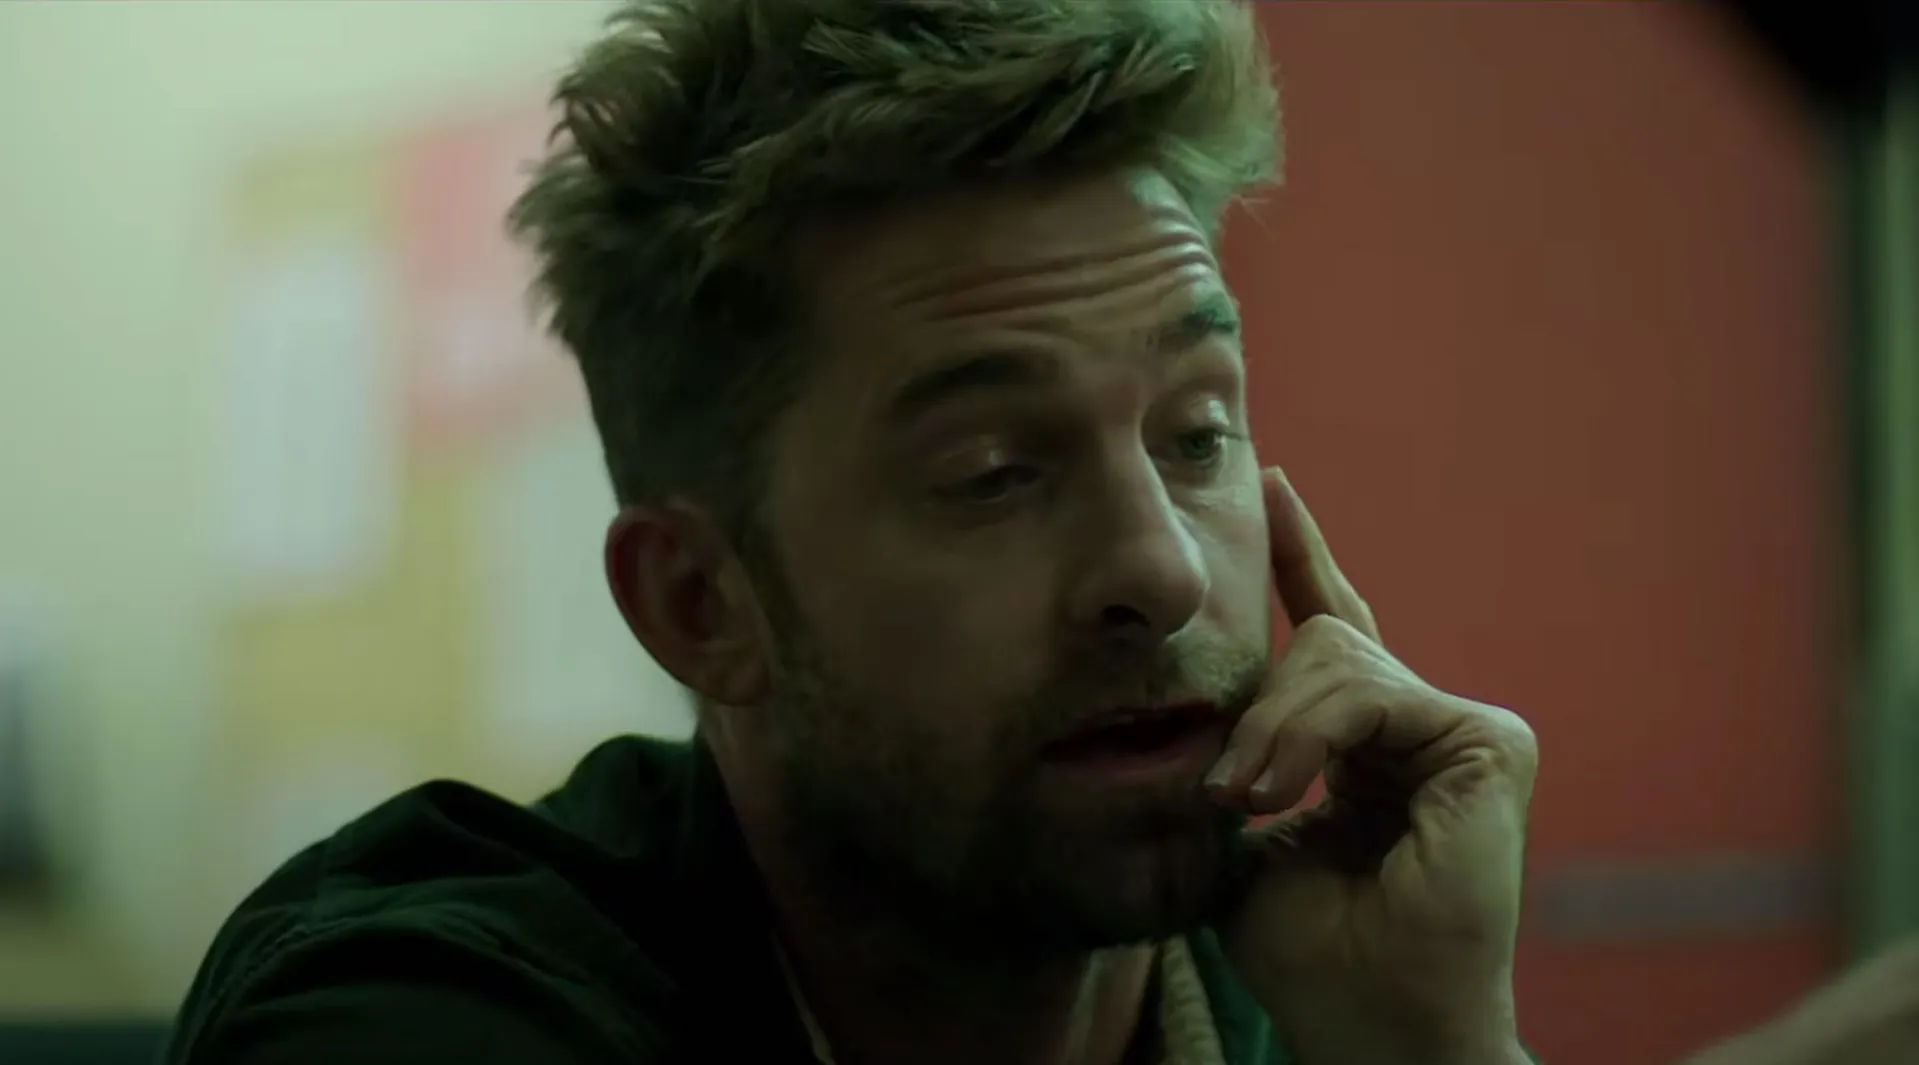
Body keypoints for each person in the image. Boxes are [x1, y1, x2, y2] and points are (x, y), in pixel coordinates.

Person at [163, 2, 1919, 1063]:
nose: (1158, 565)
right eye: (994, 471)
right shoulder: (425, 1008)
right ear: (701, 604)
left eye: (1197, 431)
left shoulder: (1301, 978)